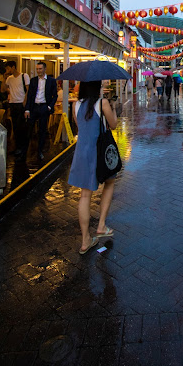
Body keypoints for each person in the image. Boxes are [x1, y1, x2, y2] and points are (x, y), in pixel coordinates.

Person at [68, 80, 118, 254]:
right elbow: (113, 125)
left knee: (85, 195)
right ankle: (101, 225)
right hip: (99, 152)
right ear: (96, 87)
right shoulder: (102, 103)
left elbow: (80, 127)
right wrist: (113, 108)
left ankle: (85, 241)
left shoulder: (75, 105)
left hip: (82, 153)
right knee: (110, 182)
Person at [24, 62, 57, 161]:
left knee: (42, 130)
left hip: (44, 106)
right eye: (37, 69)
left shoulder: (51, 81)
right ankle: (24, 152)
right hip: (34, 107)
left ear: (44, 69)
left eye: (40, 69)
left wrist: (49, 107)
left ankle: (40, 151)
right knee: (28, 129)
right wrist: (27, 109)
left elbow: (54, 95)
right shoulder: (33, 80)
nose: (38, 71)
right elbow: (29, 96)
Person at [2, 61, 30, 157]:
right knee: (15, 125)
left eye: (8, 68)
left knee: (20, 125)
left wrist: (25, 101)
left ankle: (21, 147)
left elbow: (28, 89)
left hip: (21, 104)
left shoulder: (24, 76)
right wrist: (4, 78)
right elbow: (3, 89)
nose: (7, 70)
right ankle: (17, 146)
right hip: (12, 104)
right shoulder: (9, 79)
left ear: (13, 67)